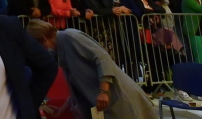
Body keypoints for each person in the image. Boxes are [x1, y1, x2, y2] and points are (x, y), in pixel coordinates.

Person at [26, 21, 155, 119]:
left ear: (43, 39)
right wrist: (62, 109)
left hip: (118, 96)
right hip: (106, 103)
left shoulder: (70, 36)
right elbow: (77, 85)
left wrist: (103, 91)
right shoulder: (60, 51)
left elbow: (102, 57)